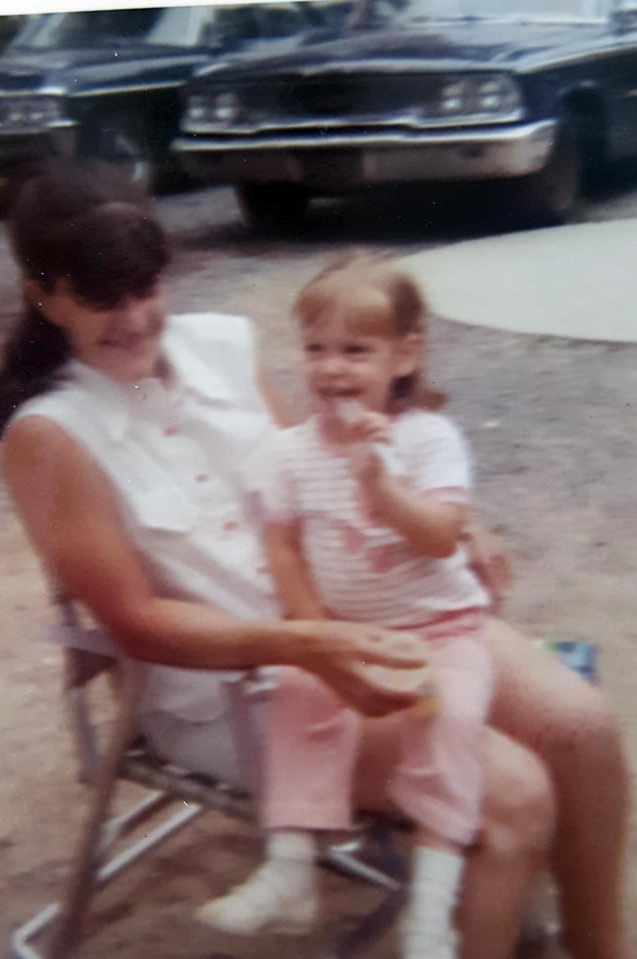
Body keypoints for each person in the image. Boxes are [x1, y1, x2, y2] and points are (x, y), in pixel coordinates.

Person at [0, 161, 629, 959]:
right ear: (44, 298)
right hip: (234, 691)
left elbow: (326, 461)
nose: (137, 319)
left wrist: (456, 514)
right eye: (101, 299)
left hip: (359, 608)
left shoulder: (219, 344)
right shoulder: (49, 434)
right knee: (511, 796)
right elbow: (132, 620)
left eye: (146, 288)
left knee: (579, 728)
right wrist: (306, 645)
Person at [196, 255, 494, 959]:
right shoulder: (288, 452)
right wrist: (314, 631)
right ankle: (290, 869)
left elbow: (441, 533)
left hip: (442, 631)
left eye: (355, 350)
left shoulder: (427, 438)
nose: (332, 369)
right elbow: (282, 545)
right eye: (315, 348)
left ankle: (429, 914)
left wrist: (380, 484)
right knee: (297, 688)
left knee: (445, 720)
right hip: (354, 632)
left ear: (404, 355)